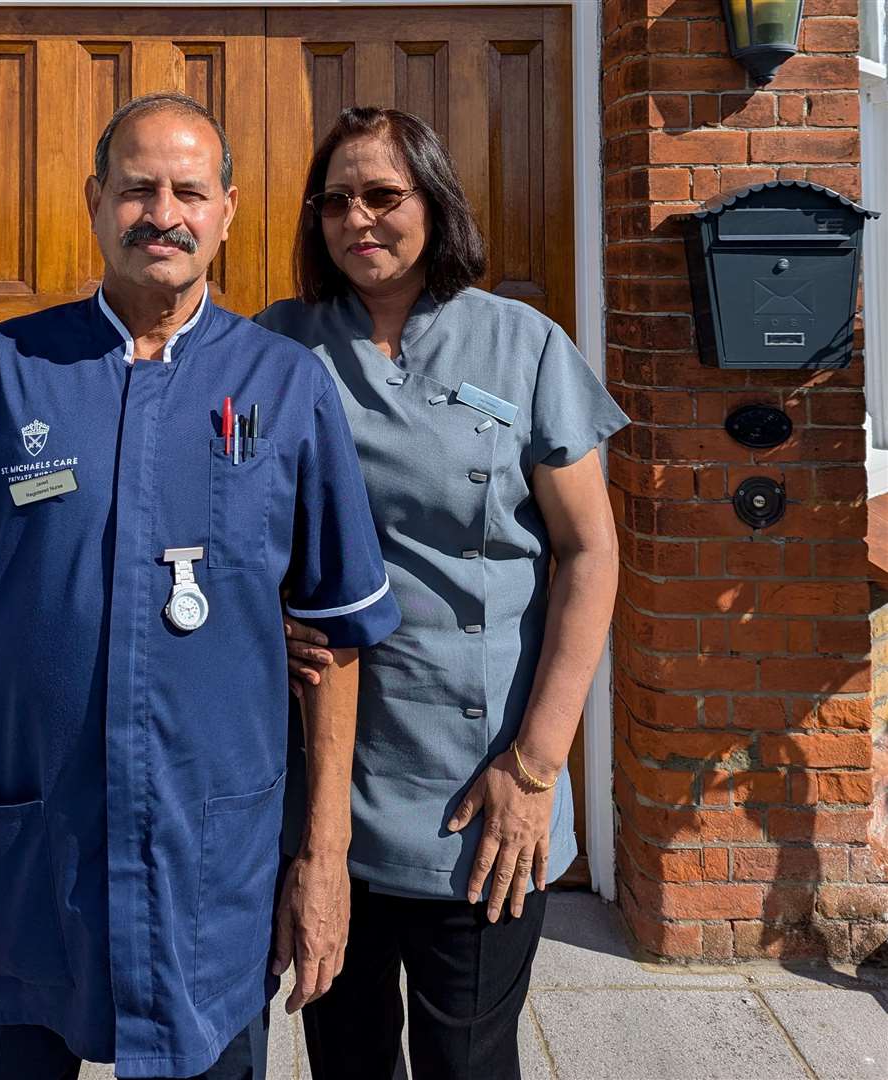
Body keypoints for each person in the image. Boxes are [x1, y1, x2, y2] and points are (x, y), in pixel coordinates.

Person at [0, 92, 400, 1080]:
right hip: (19, 861)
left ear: (227, 209)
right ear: (95, 201)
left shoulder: (285, 388)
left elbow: (337, 639)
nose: (163, 212)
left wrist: (321, 859)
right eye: (137, 188)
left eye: (189, 190)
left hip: (209, 868)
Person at [256, 106, 630, 1080]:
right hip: (323, 787)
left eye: (382, 195)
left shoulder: (523, 346)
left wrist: (536, 767)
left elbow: (588, 554)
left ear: (433, 203)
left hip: (483, 785)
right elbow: (209, 525)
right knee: (343, 1056)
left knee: (468, 1062)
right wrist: (262, 619)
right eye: (334, 200)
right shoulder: (275, 348)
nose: (357, 219)